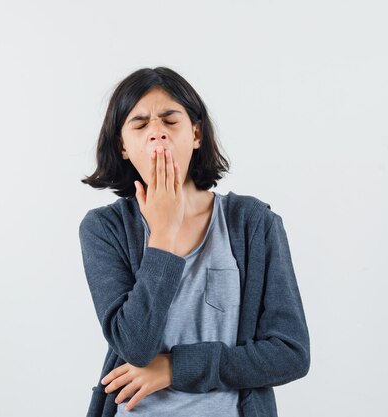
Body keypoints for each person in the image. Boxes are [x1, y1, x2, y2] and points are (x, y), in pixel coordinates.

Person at [78, 67, 310, 417]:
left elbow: (291, 353)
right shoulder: (104, 228)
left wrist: (176, 368)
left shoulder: (253, 223)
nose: (157, 134)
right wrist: (164, 236)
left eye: (170, 121)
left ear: (196, 133)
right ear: (123, 147)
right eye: (140, 125)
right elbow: (135, 346)